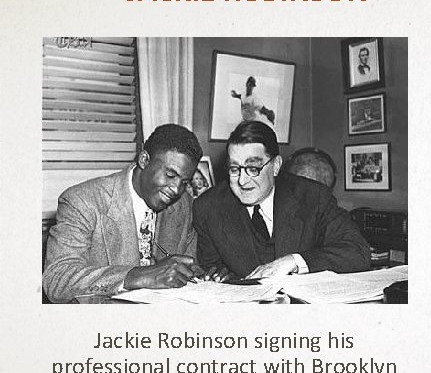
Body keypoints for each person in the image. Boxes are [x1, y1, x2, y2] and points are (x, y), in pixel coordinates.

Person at [43, 124, 205, 302]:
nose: (176, 189)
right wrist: (136, 276)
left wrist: (196, 272)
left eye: (185, 181)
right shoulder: (82, 201)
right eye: (170, 175)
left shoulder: (184, 205)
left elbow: (187, 265)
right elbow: (56, 280)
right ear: (144, 160)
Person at [193, 120, 370, 279]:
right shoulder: (209, 207)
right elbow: (213, 268)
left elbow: (358, 252)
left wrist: (294, 261)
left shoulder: (313, 197)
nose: (242, 180)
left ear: (276, 166)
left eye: (253, 168)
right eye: (234, 169)